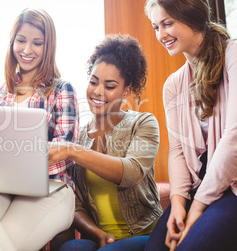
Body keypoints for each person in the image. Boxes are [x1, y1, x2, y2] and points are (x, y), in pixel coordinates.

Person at [144, 0, 237, 250]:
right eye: (155, 27)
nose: (161, 34)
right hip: (201, 189)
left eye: (167, 23)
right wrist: (178, 202)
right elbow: (176, 150)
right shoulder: (173, 85)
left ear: (193, 17)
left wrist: (197, 208)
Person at [0, 8, 79, 251]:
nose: (27, 50)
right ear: (12, 42)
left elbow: (64, 153)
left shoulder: (62, 90)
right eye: (21, 40)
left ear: (48, 46)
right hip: (0, 188)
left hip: (51, 189)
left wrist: (21, 165)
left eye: (37, 43)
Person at [48, 34, 162, 251]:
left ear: (126, 91)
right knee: (71, 248)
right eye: (93, 82)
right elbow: (75, 202)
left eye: (109, 86)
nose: (98, 92)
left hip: (144, 234)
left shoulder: (143, 122)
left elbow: (131, 172)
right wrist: (99, 234)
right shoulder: (79, 135)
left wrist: (74, 151)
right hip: (101, 238)